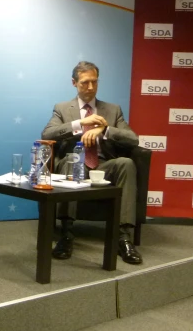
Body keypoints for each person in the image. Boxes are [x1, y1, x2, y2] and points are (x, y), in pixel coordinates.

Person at [41, 61, 143, 265]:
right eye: (85, 83)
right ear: (74, 83)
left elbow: (133, 139)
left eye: (94, 82)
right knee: (72, 160)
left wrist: (105, 130)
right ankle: (66, 234)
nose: (90, 88)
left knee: (126, 163)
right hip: (74, 164)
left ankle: (123, 238)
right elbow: (47, 133)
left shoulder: (112, 110)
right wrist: (81, 124)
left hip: (104, 165)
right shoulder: (62, 109)